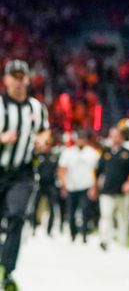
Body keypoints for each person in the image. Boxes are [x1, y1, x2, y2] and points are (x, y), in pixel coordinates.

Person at [0, 60, 50, 289]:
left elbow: (44, 133)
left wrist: (43, 141)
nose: (18, 82)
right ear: (6, 79)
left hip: (22, 172)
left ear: (28, 80)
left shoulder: (37, 108)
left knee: (17, 216)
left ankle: (7, 269)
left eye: (22, 77)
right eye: (14, 76)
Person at [96, 127, 129, 250]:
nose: (114, 139)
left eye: (116, 136)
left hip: (122, 191)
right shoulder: (106, 152)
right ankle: (104, 239)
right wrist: (96, 186)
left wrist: (128, 183)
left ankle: (122, 241)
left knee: (122, 217)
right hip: (107, 190)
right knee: (106, 215)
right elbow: (99, 171)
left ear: (122, 137)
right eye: (112, 136)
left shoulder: (128, 153)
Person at [58, 130, 99, 244]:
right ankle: (73, 233)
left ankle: (85, 234)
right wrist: (63, 185)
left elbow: (97, 172)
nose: (80, 141)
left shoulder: (92, 153)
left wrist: (94, 187)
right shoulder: (68, 152)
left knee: (85, 211)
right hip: (71, 186)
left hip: (86, 186)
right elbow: (61, 169)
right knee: (71, 213)